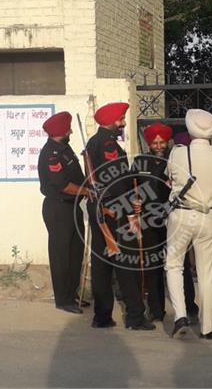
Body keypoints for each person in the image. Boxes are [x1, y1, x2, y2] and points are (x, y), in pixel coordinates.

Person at [85, 102, 155, 331]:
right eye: (121, 119)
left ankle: (102, 316)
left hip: (100, 209)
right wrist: (130, 206)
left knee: (102, 265)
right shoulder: (107, 145)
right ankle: (135, 317)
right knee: (126, 264)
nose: (123, 123)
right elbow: (115, 180)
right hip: (114, 211)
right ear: (109, 122)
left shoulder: (94, 142)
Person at [165, 109, 212, 340]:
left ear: (189, 129)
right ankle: (208, 327)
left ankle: (180, 314)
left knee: (174, 265)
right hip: (208, 216)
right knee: (206, 273)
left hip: (182, 215)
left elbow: (170, 178)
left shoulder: (178, 153)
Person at [132, 123, 199, 323]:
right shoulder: (140, 161)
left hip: (174, 218)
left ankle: (190, 308)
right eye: (155, 142)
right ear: (148, 143)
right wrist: (134, 202)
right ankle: (156, 309)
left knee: (182, 265)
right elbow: (131, 187)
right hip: (149, 220)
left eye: (162, 142)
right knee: (153, 265)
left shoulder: (176, 159)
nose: (159, 146)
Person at [38, 111, 90, 314]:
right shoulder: (51, 154)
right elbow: (63, 185)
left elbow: (76, 176)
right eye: (68, 128)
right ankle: (63, 299)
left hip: (72, 206)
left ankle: (72, 293)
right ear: (61, 131)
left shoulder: (64, 148)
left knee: (75, 252)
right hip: (58, 207)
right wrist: (86, 191)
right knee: (62, 255)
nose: (70, 131)